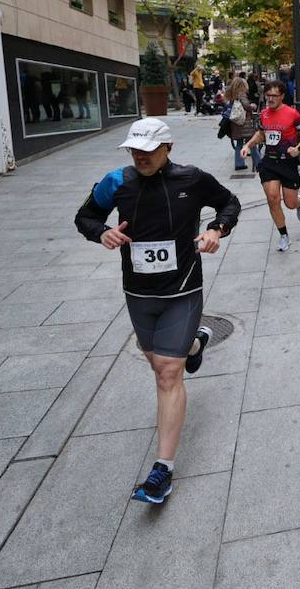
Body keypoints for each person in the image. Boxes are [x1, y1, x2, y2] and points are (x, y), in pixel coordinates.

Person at [75, 119, 240, 504]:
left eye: (148, 149)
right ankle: (196, 345)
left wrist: (217, 229)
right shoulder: (115, 181)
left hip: (183, 289)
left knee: (167, 373)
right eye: (135, 149)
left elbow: (229, 202)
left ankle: (162, 470)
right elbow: (85, 217)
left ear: (168, 147)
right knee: (158, 362)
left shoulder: (192, 179)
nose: (141, 156)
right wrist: (101, 232)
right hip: (138, 292)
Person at [240, 80, 300, 252]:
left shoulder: (292, 114)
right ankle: (283, 235)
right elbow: (261, 134)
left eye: (274, 95)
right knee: (272, 198)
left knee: (290, 203)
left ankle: (299, 203)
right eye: (268, 95)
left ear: (282, 96)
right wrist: (248, 145)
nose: (270, 98)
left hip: (288, 162)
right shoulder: (264, 113)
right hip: (270, 162)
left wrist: (299, 148)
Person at [224, 76, 257, 172]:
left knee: (239, 143)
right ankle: (258, 162)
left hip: (235, 124)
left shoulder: (231, 95)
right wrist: (253, 106)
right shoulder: (241, 94)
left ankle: (239, 163)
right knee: (252, 143)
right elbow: (247, 106)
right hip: (244, 124)